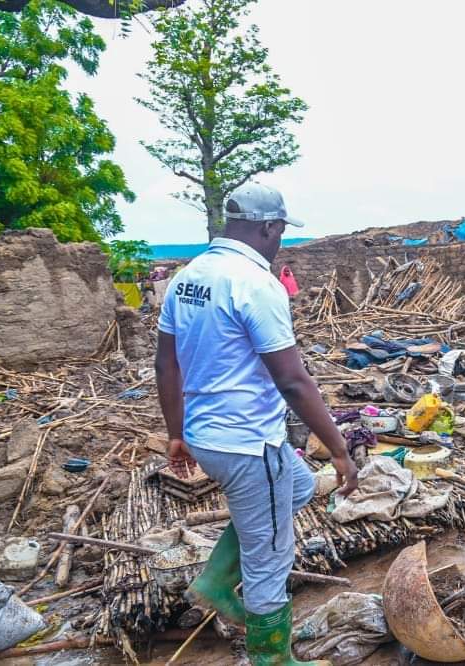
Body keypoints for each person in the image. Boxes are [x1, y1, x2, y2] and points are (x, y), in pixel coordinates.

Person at [155, 182, 359, 666]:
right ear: (269, 227)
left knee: (300, 486)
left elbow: (166, 365)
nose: (280, 242)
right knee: (270, 560)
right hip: (249, 445)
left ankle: (215, 579)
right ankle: (274, 660)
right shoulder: (255, 283)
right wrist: (339, 449)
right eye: (280, 232)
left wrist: (177, 434)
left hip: (207, 438)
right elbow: (291, 380)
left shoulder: (187, 278)